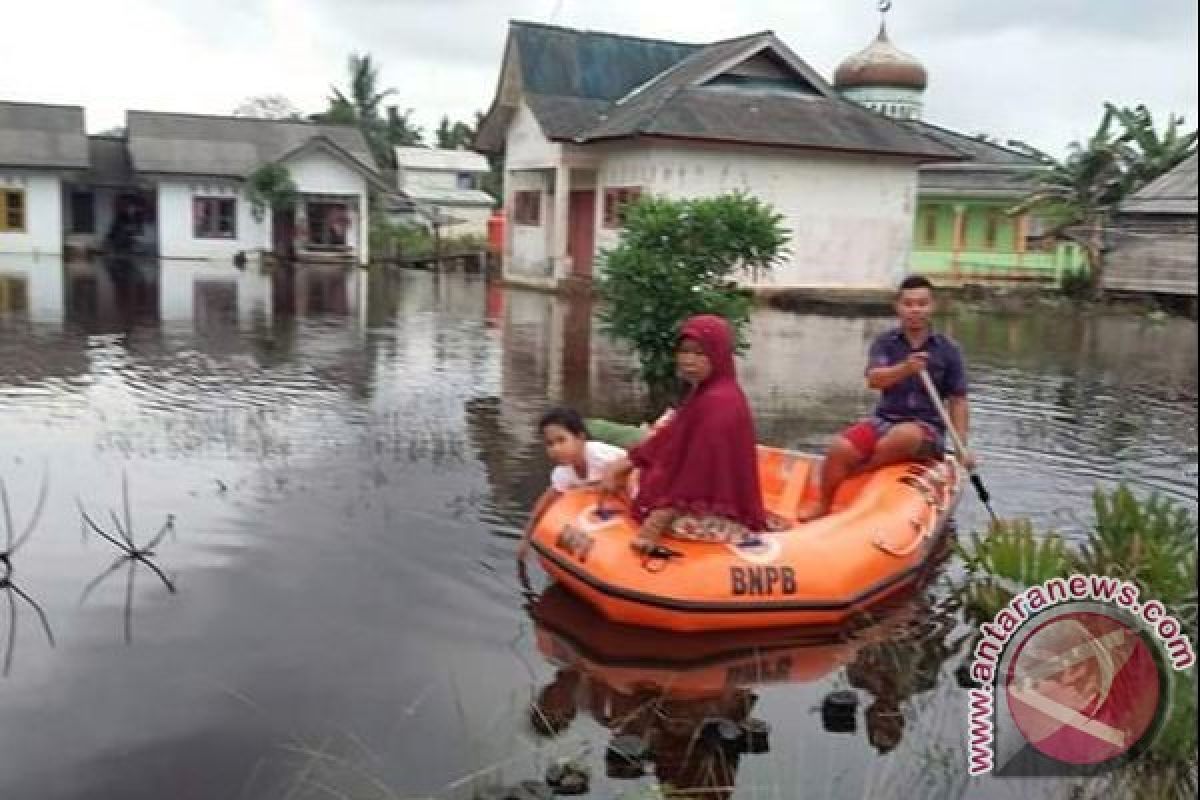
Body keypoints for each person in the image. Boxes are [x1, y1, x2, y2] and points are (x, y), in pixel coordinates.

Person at [799, 274, 972, 522]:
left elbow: (958, 400)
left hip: (926, 429)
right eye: (909, 304)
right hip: (885, 420)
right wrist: (905, 369)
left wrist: (961, 448)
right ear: (898, 307)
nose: (915, 310)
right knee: (840, 448)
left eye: (922, 304)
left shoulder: (948, 349)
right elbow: (874, 379)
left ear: (932, 306)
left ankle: (859, 475)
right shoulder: (886, 343)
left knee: (903, 436)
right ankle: (825, 505)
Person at [601, 314, 767, 554]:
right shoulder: (708, 393)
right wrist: (628, 461)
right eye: (684, 351)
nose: (688, 359)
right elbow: (671, 437)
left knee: (641, 491)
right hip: (703, 495)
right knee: (639, 475)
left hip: (711, 508)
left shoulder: (720, 403)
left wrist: (654, 523)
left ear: (718, 356)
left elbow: (697, 473)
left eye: (700, 353)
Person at [517, 408, 627, 560]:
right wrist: (526, 538)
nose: (556, 449)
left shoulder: (601, 455)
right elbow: (544, 503)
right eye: (550, 444)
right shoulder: (563, 473)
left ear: (580, 438)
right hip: (608, 507)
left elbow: (635, 464)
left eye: (561, 440)